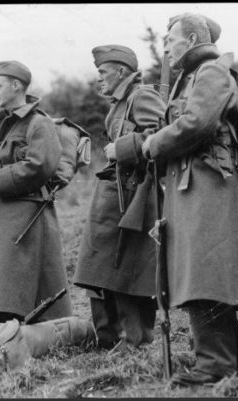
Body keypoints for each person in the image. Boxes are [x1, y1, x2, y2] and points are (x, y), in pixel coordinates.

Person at [141, 13, 238, 385]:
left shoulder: (210, 72)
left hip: (210, 186)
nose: (166, 46)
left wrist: (153, 144)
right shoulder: (192, 77)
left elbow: (198, 124)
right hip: (198, 186)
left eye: (170, 39)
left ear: (191, 39)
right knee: (202, 271)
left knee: (205, 274)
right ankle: (226, 356)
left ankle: (215, 364)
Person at [73, 45, 166, 349]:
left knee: (128, 267)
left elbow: (163, 136)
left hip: (137, 195)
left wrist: (122, 149)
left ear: (122, 72)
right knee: (103, 266)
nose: (97, 78)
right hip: (116, 193)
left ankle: (135, 338)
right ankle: (109, 336)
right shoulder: (119, 103)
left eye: (102, 72)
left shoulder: (141, 97)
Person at [0, 60, 73, 327]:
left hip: (26, 213)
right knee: (5, 277)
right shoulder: (7, 122)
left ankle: (24, 332)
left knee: (18, 276)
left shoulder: (39, 123)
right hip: (4, 211)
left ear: (16, 86)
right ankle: (5, 331)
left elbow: (40, 166)